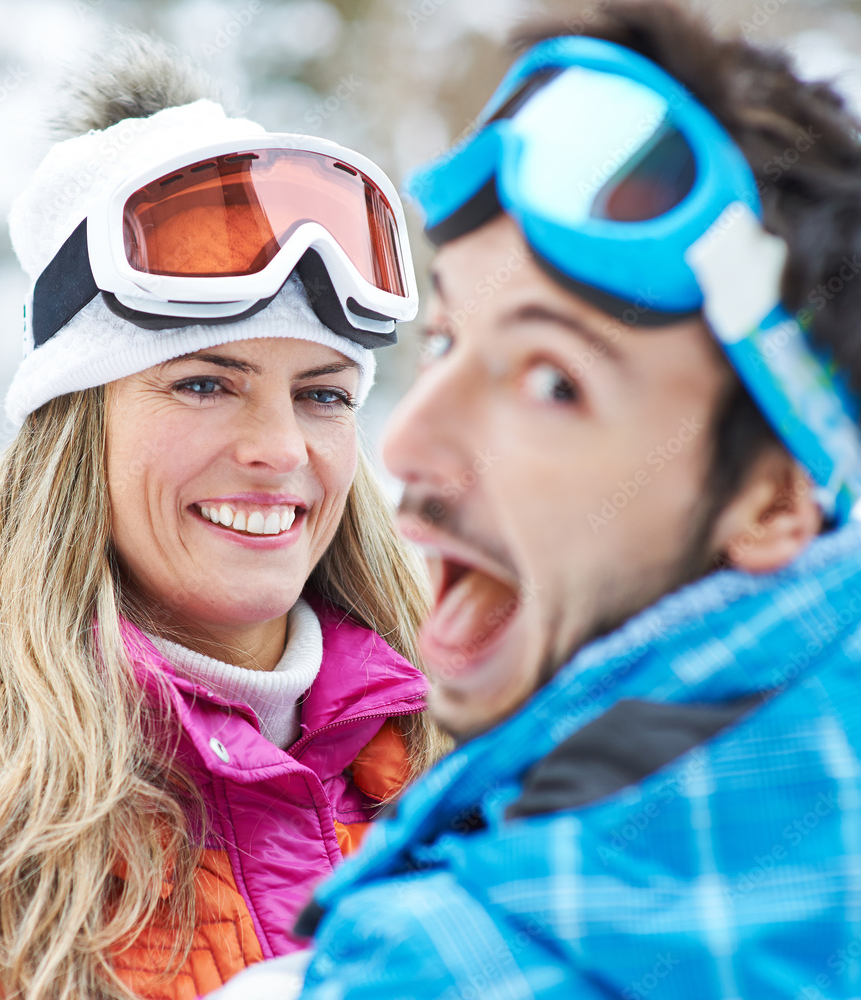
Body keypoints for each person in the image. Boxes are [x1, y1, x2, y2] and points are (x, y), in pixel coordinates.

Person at [210, 3, 861, 998]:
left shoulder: (442, 969)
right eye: (443, 341)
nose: (408, 440)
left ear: (773, 498)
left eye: (553, 382)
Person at [0, 35, 449, 1000]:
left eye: (323, 395)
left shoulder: (463, 750)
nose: (279, 449)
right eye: (207, 383)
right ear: (78, 431)